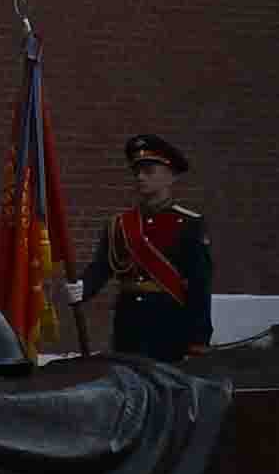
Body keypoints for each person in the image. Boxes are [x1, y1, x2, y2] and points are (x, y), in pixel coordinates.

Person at [88, 131, 213, 361]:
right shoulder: (120, 224)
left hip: (170, 324)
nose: (140, 177)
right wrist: (81, 288)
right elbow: (101, 269)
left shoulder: (189, 224)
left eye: (148, 171)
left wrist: (199, 339)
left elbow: (200, 285)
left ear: (170, 176)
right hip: (128, 324)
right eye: (137, 172)